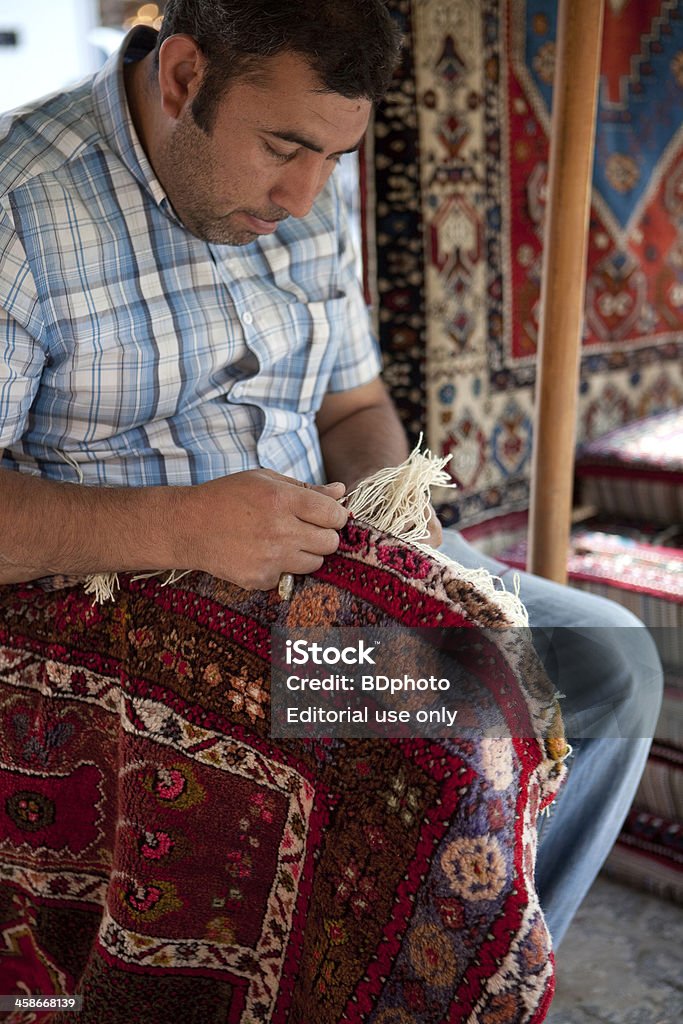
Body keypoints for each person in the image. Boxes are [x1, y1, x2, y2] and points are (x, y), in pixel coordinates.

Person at [0, 0, 661, 956]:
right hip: (138, 607)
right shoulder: (20, 203)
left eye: (334, 160)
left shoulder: (306, 186)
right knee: (464, 715)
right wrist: (184, 529)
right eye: (283, 147)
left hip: (327, 555)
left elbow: (352, 414)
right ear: (185, 77)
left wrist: (398, 516)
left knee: (607, 664)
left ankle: (468, 984)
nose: (306, 195)